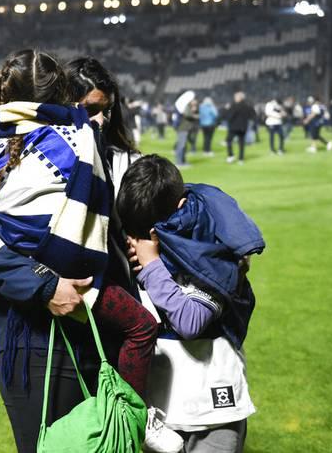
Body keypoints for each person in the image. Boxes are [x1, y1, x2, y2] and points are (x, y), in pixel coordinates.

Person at [0, 51, 179, 453]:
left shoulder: (125, 160)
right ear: (60, 101)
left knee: (106, 442)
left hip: (102, 333)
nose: (100, 118)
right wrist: (45, 285)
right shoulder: (14, 149)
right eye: (88, 108)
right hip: (35, 339)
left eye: (106, 109)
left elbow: (153, 231)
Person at [117, 154, 264, 453]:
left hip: (212, 404)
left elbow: (190, 321)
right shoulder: (143, 242)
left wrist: (153, 265)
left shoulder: (213, 244)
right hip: (157, 406)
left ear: (181, 206)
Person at [224, 91, 255, 164]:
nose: (234, 98)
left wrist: (226, 110)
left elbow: (229, 116)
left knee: (229, 140)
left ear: (239, 98)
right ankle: (241, 159)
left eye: (236, 97)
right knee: (241, 142)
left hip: (234, 127)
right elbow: (252, 115)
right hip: (243, 127)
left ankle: (230, 155)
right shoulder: (247, 106)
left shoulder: (234, 106)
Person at [174, 92, 199, 167]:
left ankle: (183, 161)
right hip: (183, 128)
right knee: (181, 145)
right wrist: (195, 115)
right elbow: (188, 115)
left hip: (185, 128)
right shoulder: (186, 106)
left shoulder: (188, 106)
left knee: (184, 145)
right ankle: (179, 162)